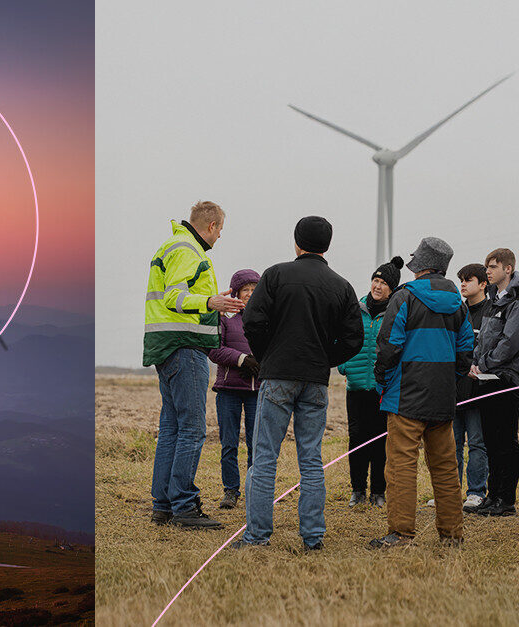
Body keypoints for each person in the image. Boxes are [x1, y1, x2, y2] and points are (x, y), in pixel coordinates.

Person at [230, 216, 363, 551]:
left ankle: (257, 536)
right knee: (311, 459)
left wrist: (268, 356)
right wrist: (324, 359)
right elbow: (354, 339)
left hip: (277, 377)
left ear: (297, 242)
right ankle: (313, 538)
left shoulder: (275, 275)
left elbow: (252, 321)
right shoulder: (342, 286)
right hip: (315, 381)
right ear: (327, 245)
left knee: (264, 457)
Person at [144, 200, 244, 529]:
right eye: (221, 231)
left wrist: (213, 300)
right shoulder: (188, 249)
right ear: (212, 226)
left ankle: (163, 504)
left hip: (169, 348)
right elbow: (175, 296)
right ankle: (184, 506)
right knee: (192, 430)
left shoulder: (173, 245)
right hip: (185, 348)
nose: (219, 238)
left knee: (172, 429)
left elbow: (178, 295)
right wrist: (210, 300)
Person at [367, 237, 472, 549]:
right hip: (442, 397)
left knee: (401, 465)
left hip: (405, 397)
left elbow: (388, 346)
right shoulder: (459, 304)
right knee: (445, 468)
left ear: (420, 265)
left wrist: (381, 379)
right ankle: (452, 535)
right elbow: (465, 351)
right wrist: (449, 382)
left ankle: (400, 534)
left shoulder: (404, 298)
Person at [470, 248, 519, 517]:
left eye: (493, 266)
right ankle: (492, 495)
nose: (488, 271)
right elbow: (483, 338)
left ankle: (506, 499)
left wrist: (483, 364)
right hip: (486, 380)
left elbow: (509, 343)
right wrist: (475, 362)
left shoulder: (518, 305)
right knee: (491, 441)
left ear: (508, 269)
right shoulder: (493, 302)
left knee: (506, 441)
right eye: (487, 267)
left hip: (505, 381)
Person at [337, 256, 403, 508]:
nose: (378, 286)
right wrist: (344, 365)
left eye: (384, 283)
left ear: (392, 288)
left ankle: (378, 491)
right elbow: (341, 338)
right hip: (355, 387)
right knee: (356, 439)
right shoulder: (356, 309)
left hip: (382, 388)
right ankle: (357, 490)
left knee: (380, 440)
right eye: (376, 280)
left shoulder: (395, 312)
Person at [207, 268, 261, 509]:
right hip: (228, 389)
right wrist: (242, 360)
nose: (250, 293)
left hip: (257, 391)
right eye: (245, 289)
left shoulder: (265, 320)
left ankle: (253, 488)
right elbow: (214, 350)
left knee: (255, 443)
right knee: (229, 443)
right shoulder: (224, 318)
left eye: (253, 289)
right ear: (236, 292)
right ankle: (231, 491)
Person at [453, 263, 490, 512]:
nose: (463, 285)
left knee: (477, 442)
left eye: (469, 280)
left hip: (478, 390)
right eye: (461, 280)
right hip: (455, 389)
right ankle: (450, 491)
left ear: (483, 284)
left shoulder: (490, 312)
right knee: (452, 443)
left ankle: (476, 491)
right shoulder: (457, 311)